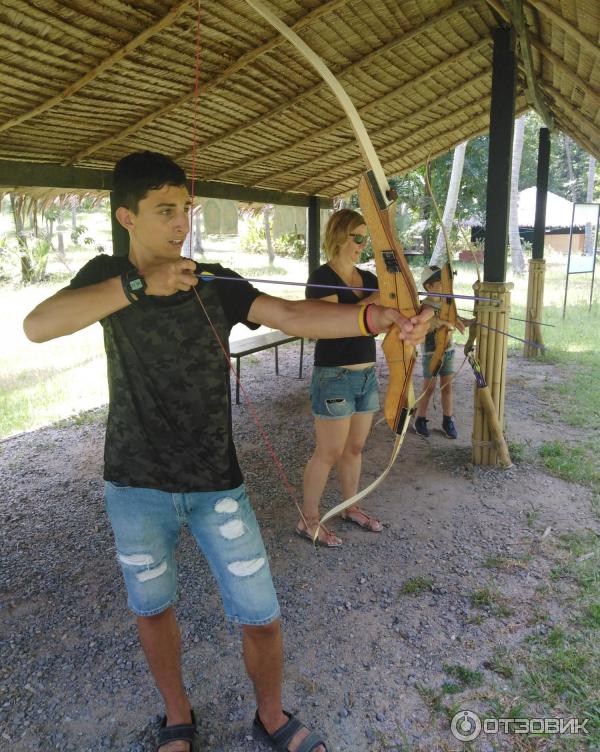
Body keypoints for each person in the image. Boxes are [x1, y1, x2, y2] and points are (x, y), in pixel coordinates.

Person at [23, 152, 433, 752]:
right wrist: (139, 285)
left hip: (217, 482)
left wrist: (377, 317)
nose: (181, 223)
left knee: (261, 615)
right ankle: (178, 717)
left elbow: (292, 314)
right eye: (165, 211)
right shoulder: (107, 275)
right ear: (126, 217)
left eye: (184, 208)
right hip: (136, 484)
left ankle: (270, 717)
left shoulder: (210, 278)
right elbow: (38, 326)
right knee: (153, 609)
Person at [296, 209, 383, 549]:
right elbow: (334, 320)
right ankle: (308, 519)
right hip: (334, 375)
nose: (362, 244)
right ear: (338, 235)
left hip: (366, 375)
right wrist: (374, 304)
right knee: (329, 451)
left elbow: (387, 315)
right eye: (356, 237)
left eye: (365, 238)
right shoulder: (322, 278)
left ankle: (350, 507)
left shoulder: (370, 279)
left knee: (356, 447)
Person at [413, 265, 466, 440]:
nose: (445, 285)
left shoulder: (446, 303)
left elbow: (455, 320)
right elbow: (422, 321)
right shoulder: (426, 306)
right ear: (428, 286)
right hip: (431, 354)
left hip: (448, 351)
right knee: (429, 388)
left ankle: (447, 420)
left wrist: (468, 321)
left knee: (447, 387)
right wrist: (442, 322)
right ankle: (420, 419)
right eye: (440, 282)